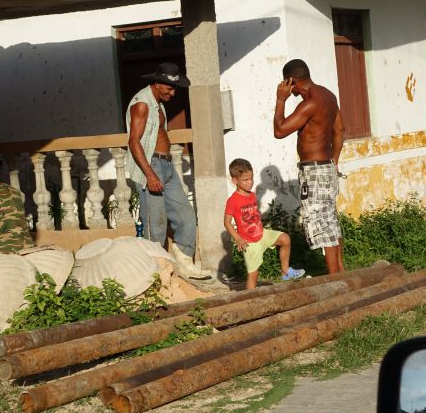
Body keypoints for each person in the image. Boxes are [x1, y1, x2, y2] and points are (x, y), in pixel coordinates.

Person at [125, 62, 211, 280]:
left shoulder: (158, 104)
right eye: (169, 88)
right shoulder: (142, 104)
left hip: (166, 165)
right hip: (151, 166)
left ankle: (184, 265)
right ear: (156, 83)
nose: (173, 93)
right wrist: (150, 174)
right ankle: (155, 275)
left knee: (185, 215)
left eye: (174, 89)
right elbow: (134, 142)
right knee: (156, 225)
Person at [274, 59, 346, 274]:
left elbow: (279, 131)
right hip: (326, 167)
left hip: (313, 170)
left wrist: (280, 100)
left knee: (320, 223)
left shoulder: (309, 103)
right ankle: (340, 272)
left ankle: (335, 279)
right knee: (330, 220)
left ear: (291, 81)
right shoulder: (328, 96)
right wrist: (334, 160)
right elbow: (340, 130)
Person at [224, 158, 305, 289]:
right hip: (249, 242)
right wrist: (238, 238)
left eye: (251, 178)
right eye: (245, 180)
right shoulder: (233, 201)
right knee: (253, 275)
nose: (250, 182)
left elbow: (254, 215)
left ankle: (285, 271)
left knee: (285, 239)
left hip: (262, 234)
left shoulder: (251, 195)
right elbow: (227, 222)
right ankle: (250, 300)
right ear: (235, 180)